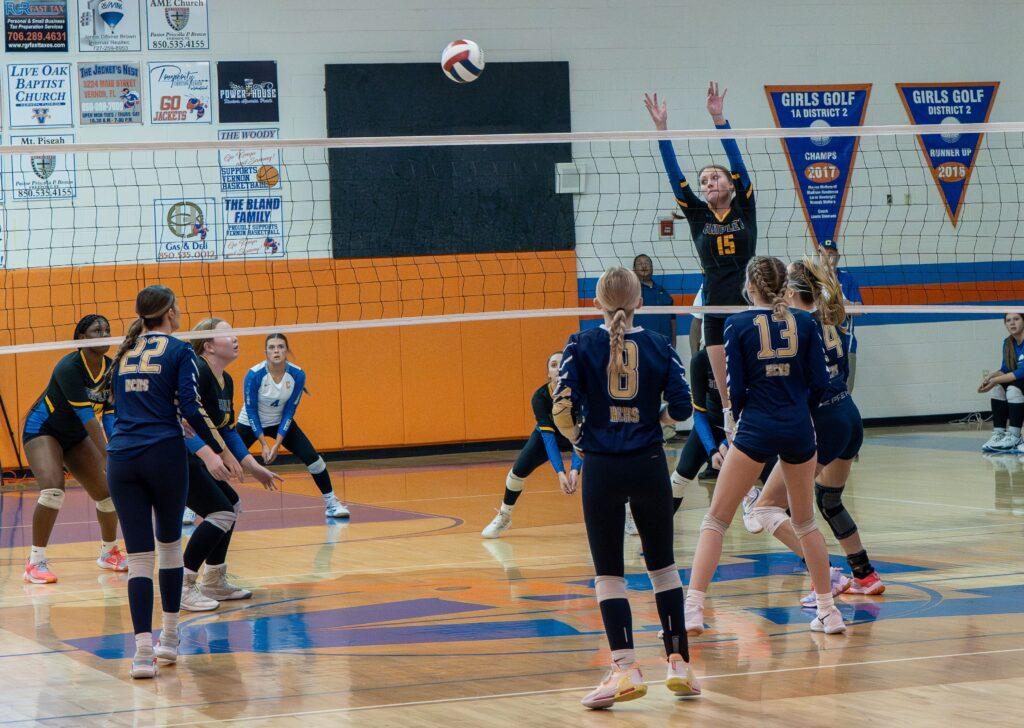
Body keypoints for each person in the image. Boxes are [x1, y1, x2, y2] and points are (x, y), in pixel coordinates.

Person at [553, 265, 699, 710]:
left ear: (596, 303)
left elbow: (561, 407)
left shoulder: (580, 345)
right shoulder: (657, 345)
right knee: (663, 567)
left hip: (601, 466)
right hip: (649, 463)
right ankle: (678, 663)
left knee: (609, 573)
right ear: (640, 303)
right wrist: (655, 421)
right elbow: (682, 407)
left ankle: (625, 668)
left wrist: (580, 439)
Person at [684, 257, 846, 638]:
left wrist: (735, 417)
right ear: (783, 287)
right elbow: (821, 382)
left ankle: (692, 610)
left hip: (756, 426)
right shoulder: (806, 323)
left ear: (750, 287)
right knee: (806, 522)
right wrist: (797, 410)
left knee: (716, 520)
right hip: (797, 428)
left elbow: (736, 387)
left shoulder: (736, 324)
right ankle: (829, 612)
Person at [101, 285, 242, 679]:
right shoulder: (180, 352)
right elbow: (192, 410)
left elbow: (114, 409)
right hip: (163, 455)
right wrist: (223, 451)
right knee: (167, 551)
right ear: (171, 313)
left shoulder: (124, 352)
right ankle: (169, 637)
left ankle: (142, 652)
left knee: (139, 559)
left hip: (122, 460)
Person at [743, 258, 884, 599]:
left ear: (790, 291)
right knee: (830, 500)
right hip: (848, 414)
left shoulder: (797, 325)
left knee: (767, 508)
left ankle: (828, 576)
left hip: (823, 422)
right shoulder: (829, 314)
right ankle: (865, 575)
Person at [645, 81, 756, 425]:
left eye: (714, 179)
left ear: (731, 185)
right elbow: (674, 174)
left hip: (747, 303)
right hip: (713, 305)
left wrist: (719, 118)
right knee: (725, 392)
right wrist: (662, 130)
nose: (708, 184)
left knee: (751, 379)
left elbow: (736, 158)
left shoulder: (744, 207)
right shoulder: (697, 214)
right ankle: (729, 425)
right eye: (704, 181)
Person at [181, 319, 283, 611]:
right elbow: (184, 422)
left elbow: (226, 429)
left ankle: (213, 580)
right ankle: (184, 586)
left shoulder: (224, 380)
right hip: (179, 454)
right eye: (227, 334)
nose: (236, 338)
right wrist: (211, 455)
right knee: (221, 511)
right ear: (209, 345)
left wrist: (252, 465)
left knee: (231, 506)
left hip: (199, 456)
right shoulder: (196, 372)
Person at [22, 315, 126, 584]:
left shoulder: (111, 369)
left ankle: (108, 552)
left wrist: (114, 449)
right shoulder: (68, 367)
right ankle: (35, 561)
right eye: (96, 331)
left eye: (107, 330)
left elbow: (110, 415)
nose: (103, 334)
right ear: (81, 338)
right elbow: (88, 418)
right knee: (53, 490)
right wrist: (110, 457)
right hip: (43, 430)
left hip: (76, 436)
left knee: (107, 494)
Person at [236, 333, 349, 518]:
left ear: (287, 350)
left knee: (314, 460)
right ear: (266, 352)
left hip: (280, 421)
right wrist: (264, 444)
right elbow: (251, 410)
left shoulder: (297, 374)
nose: (276, 350)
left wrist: (277, 444)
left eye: (280, 346)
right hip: (250, 422)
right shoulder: (254, 375)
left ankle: (331, 504)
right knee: (223, 462)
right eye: (272, 347)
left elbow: (290, 411)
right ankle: (191, 508)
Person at [481, 351, 581, 538]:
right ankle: (504, 516)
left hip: (576, 436)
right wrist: (560, 472)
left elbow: (581, 437)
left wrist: (575, 469)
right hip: (548, 436)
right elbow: (549, 439)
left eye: (562, 364)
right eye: (553, 365)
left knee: (610, 465)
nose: (558, 368)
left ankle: (627, 514)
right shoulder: (540, 397)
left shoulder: (581, 394)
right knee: (517, 472)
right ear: (548, 373)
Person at [671, 346, 773, 512]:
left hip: (746, 427)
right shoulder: (700, 360)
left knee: (776, 481)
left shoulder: (747, 356)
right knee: (678, 481)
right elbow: (699, 412)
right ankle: (659, 529)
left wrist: (728, 441)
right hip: (711, 425)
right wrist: (712, 450)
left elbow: (753, 408)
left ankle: (800, 529)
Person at [819, 240, 862, 392]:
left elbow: (858, 310)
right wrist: (843, 305)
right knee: (820, 394)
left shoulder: (847, 278)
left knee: (846, 392)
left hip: (846, 343)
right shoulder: (813, 280)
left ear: (838, 256)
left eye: (831, 254)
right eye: (824, 254)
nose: (828, 257)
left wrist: (839, 302)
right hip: (820, 346)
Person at [979, 312, 1024, 452]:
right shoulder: (1008, 343)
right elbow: (1005, 369)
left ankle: (1015, 436)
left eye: (1016, 319)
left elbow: (1021, 372)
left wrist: (995, 380)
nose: (1012, 323)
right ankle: (999, 434)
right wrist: (990, 378)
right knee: (997, 387)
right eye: (1008, 320)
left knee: (1013, 389)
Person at [631, 254, 676, 343]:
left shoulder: (662, 291)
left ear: (652, 268)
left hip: (664, 345)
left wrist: (673, 343)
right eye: (640, 263)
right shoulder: (631, 291)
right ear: (634, 269)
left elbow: (672, 321)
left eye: (647, 262)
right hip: (641, 344)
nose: (644, 265)